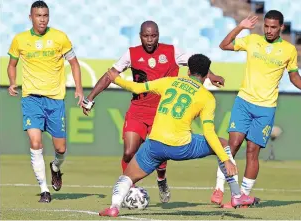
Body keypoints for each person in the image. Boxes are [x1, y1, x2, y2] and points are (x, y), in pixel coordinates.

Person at [97, 54, 258, 217]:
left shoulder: (170, 81)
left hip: (155, 145)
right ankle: (237, 196)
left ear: (188, 71)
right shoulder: (207, 98)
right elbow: (209, 132)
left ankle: (114, 207)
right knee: (223, 143)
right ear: (206, 76)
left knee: (127, 177)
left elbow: (137, 88)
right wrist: (225, 159)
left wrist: (116, 79)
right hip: (181, 147)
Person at [82, 20, 225, 203]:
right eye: (146, 36)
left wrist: (211, 76)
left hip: (162, 113)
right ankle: (130, 191)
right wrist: (90, 97)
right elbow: (111, 75)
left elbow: (196, 64)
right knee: (128, 151)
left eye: (154, 36)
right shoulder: (131, 53)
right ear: (140, 36)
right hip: (138, 110)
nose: (150, 40)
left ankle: (161, 179)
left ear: (158, 35)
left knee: (160, 156)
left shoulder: (172, 51)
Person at [210, 10, 301, 208]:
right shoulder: (253, 40)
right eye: (267, 26)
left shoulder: (289, 50)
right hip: (244, 101)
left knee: (252, 152)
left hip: (266, 108)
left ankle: (242, 197)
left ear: (281, 27)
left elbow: (293, 75)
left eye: (274, 27)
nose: (269, 30)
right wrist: (240, 27)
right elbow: (224, 45)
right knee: (233, 144)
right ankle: (219, 188)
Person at [7, 0, 84, 203]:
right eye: (38, 15)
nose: (42, 19)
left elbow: (74, 64)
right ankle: (44, 190)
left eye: (45, 15)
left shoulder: (60, 37)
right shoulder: (20, 40)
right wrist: (13, 82)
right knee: (35, 142)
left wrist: (78, 89)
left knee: (60, 149)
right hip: (31, 99)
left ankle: (56, 167)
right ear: (30, 17)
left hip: (55, 101)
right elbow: (12, 65)